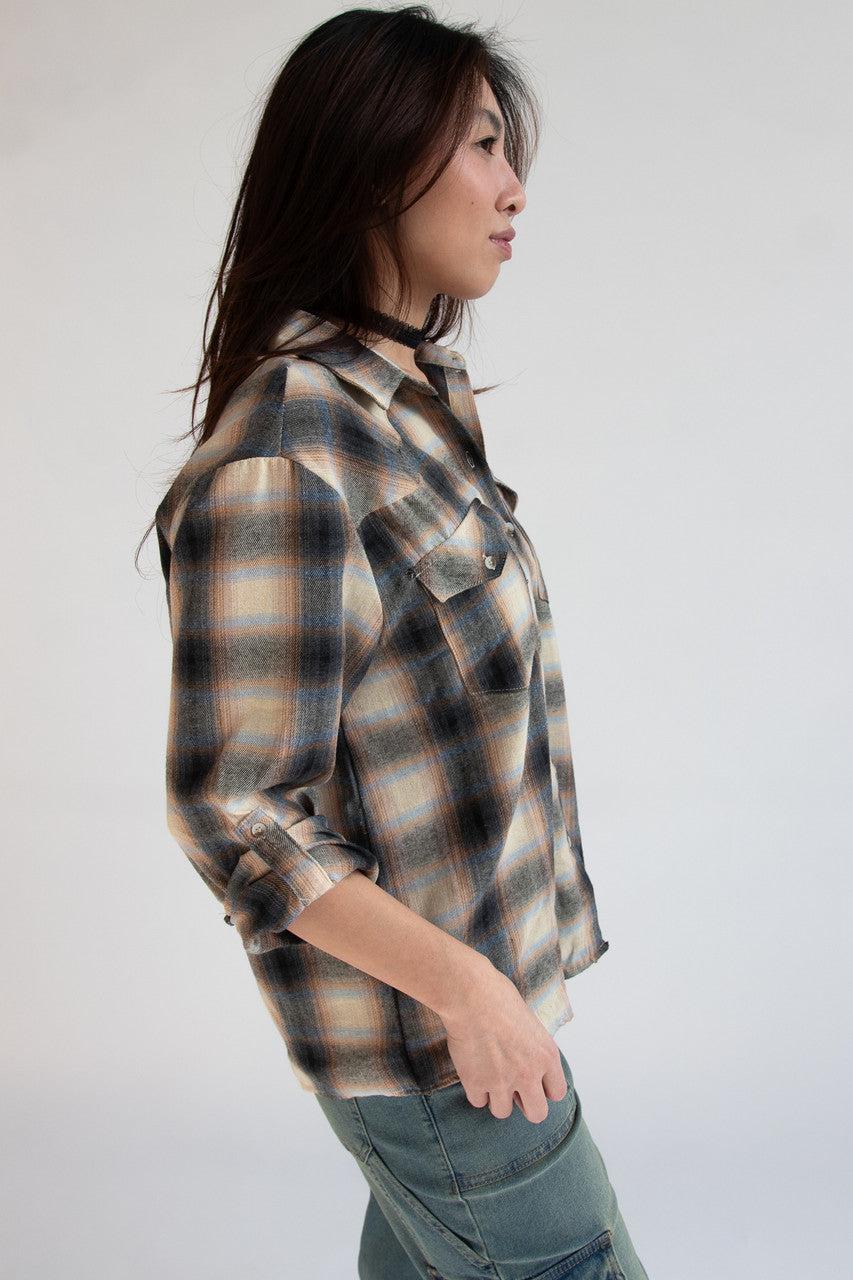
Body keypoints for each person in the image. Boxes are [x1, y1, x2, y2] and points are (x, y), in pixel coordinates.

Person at [139, 6, 650, 1277]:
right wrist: (468, 991)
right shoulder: (288, 454)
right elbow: (234, 807)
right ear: (374, 168)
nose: (512, 187)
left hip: (471, 1027)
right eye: (480, 144)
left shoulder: (407, 409)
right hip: (438, 1056)